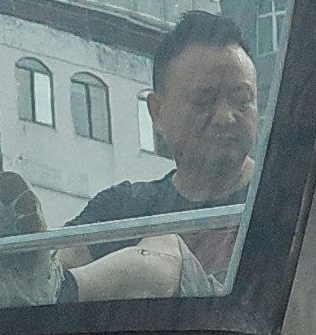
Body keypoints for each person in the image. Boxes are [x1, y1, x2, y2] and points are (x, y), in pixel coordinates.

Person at [69, 15, 265, 294]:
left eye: (241, 100)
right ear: (157, 112)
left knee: (164, 254)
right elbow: (57, 259)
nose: (225, 117)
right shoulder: (122, 210)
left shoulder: (286, 203)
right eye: (203, 101)